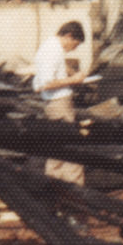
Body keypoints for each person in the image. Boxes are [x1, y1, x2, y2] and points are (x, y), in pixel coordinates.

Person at [31, 20, 89, 185]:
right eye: (75, 44)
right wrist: (74, 79)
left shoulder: (50, 46)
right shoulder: (53, 51)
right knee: (71, 149)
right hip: (59, 104)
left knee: (58, 147)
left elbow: (50, 72)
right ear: (69, 36)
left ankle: (54, 188)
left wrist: (69, 71)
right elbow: (46, 83)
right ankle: (75, 191)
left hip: (55, 103)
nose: (74, 48)